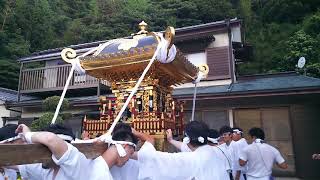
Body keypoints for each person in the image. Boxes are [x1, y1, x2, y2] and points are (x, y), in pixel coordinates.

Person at [16, 123, 137, 180]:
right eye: (130, 154)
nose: (129, 159)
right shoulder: (47, 170)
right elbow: (50, 139)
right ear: (125, 147)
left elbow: (50, 139)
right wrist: (27, 135)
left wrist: (28, 135)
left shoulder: (79, 166)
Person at [134, 121, 227, 180]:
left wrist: (130, 152)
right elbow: (186, 147)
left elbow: (159, 159)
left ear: (188, 139)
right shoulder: (216, 151)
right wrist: (170, 140)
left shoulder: (192, 159)